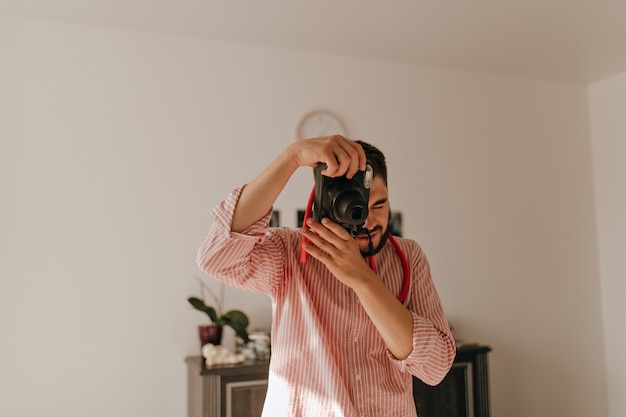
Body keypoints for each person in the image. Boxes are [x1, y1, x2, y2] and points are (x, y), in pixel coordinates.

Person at [196, 135, 456, 417]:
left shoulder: (408, 256)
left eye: (379, 206)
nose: (366, 221)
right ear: (324, 204)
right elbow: (216, 257)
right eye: (355, 207)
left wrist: (361, 277)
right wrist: (291, 157)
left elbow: (436, 367)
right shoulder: (291, 252)